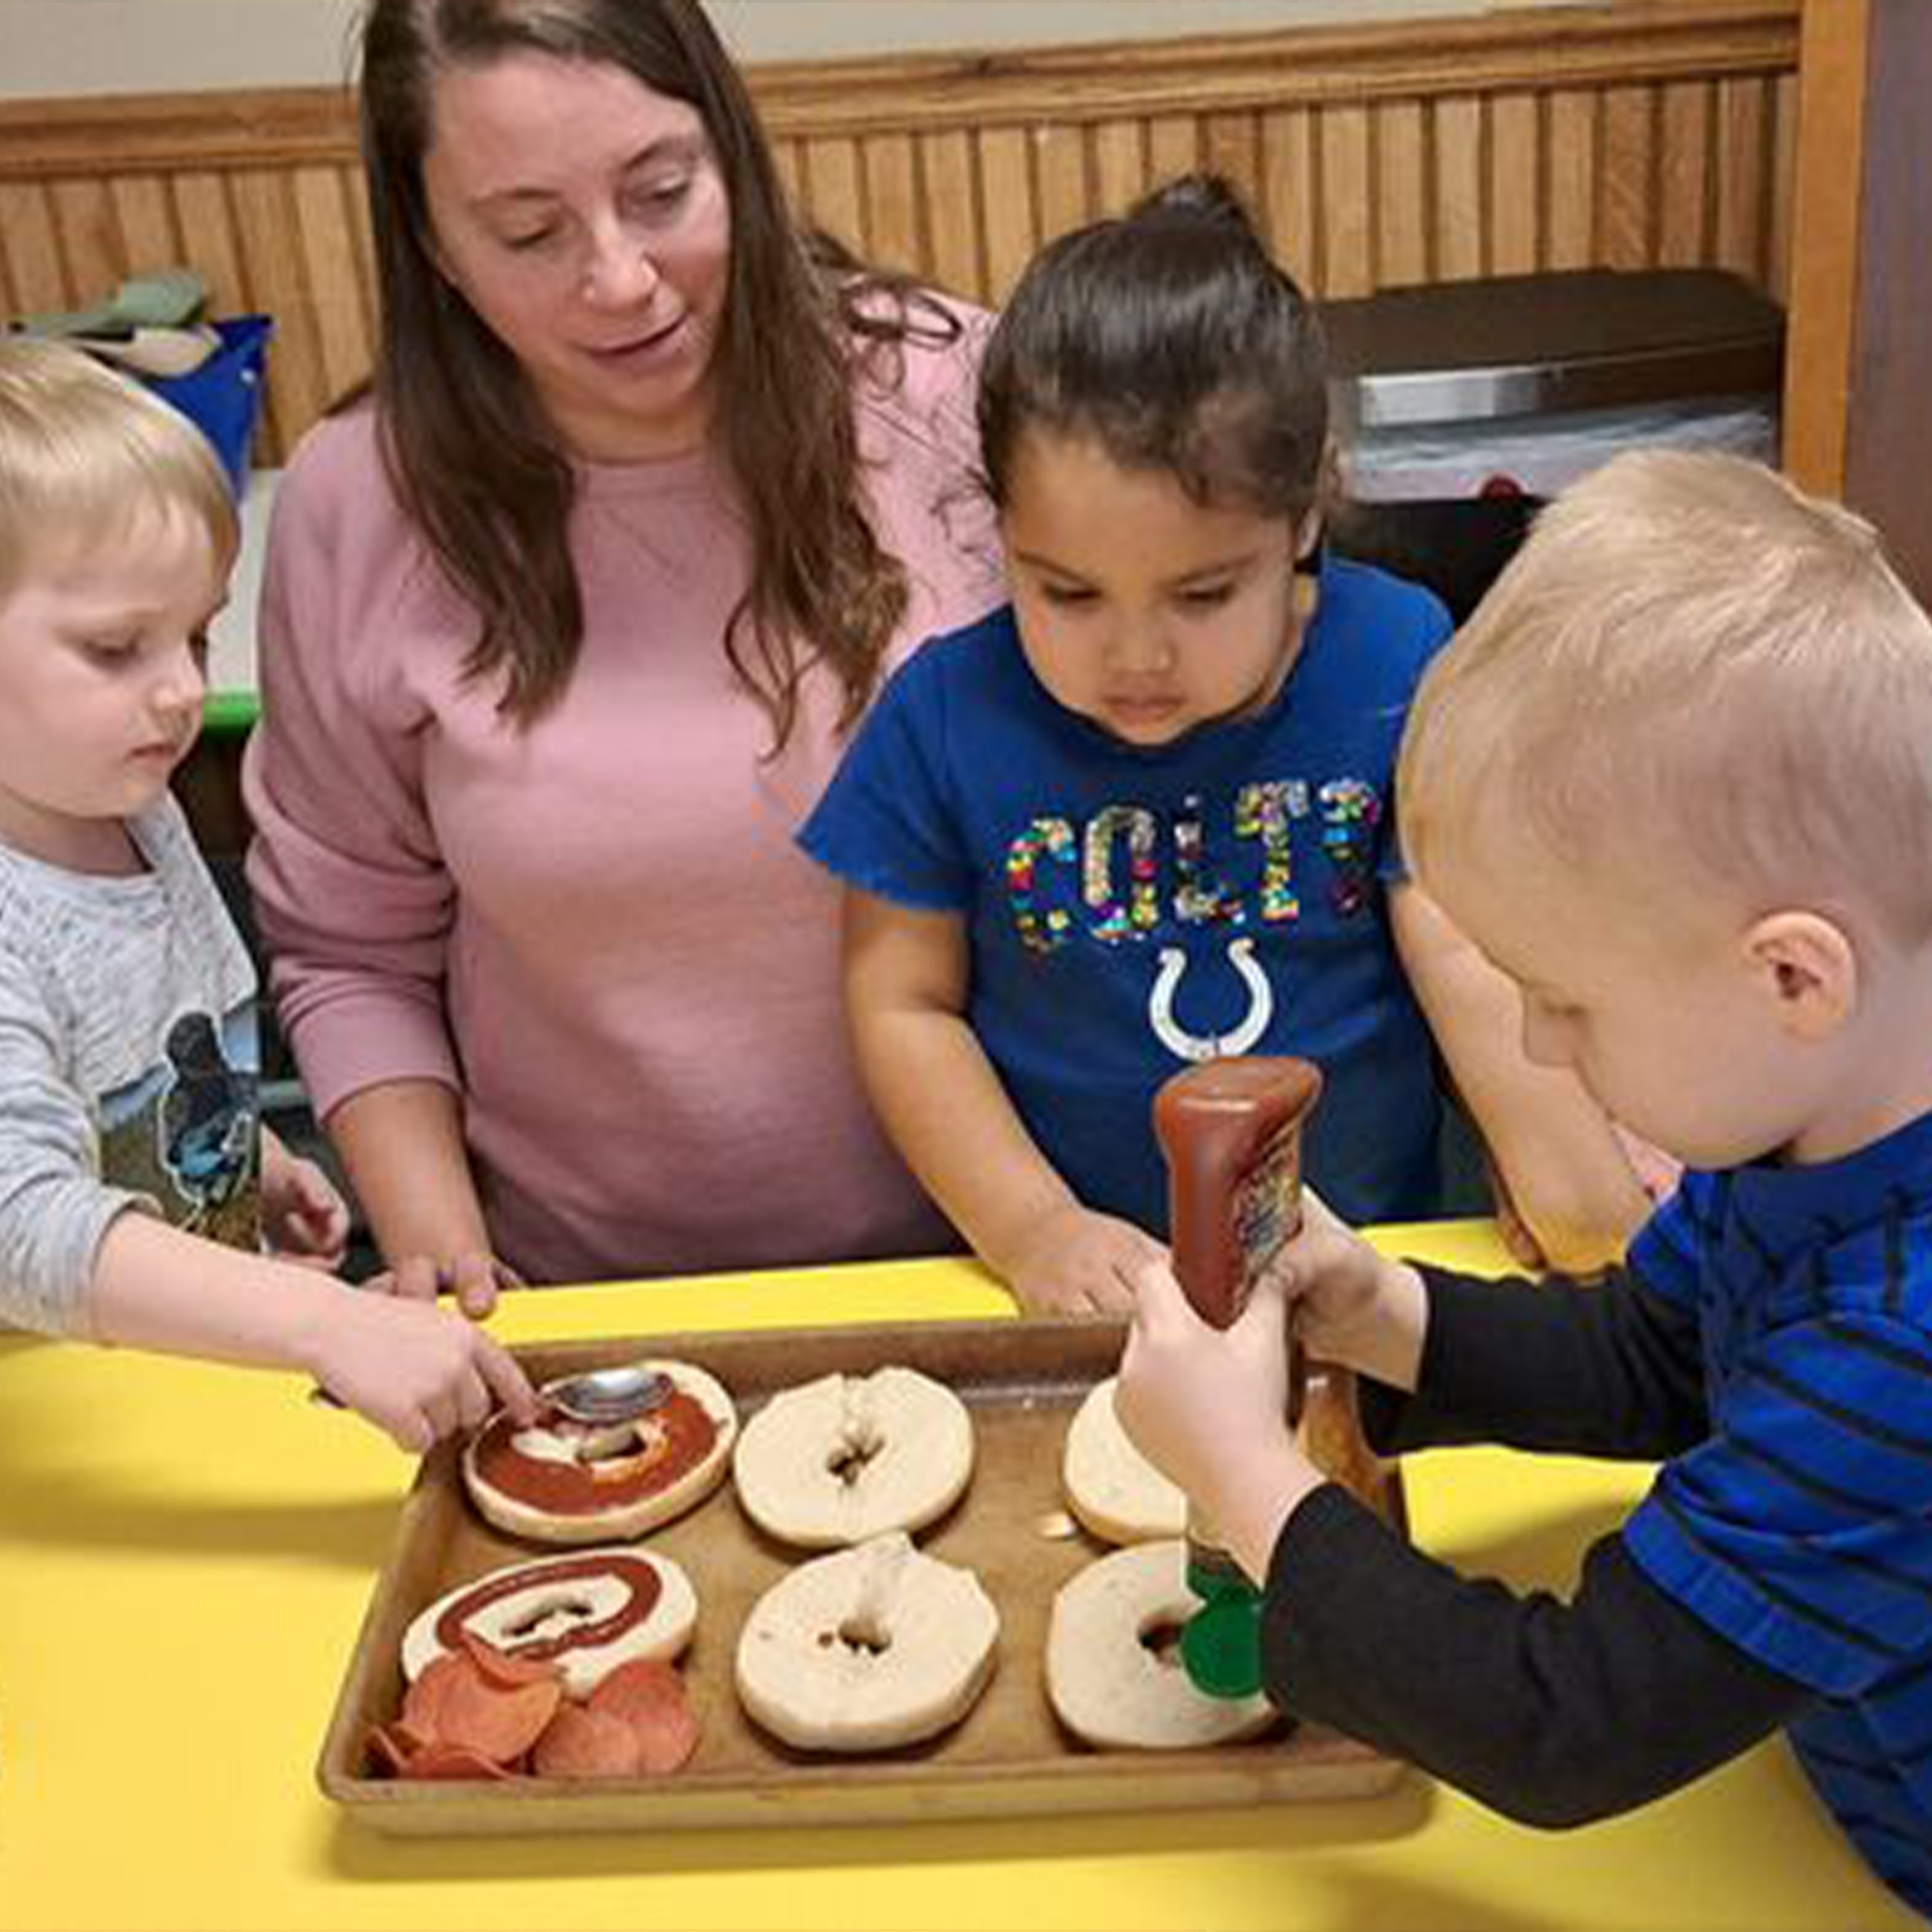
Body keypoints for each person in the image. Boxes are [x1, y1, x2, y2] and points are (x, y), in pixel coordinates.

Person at [1116, 449, 1932, 1917]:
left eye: (1568, 998)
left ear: (1794, 975)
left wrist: (1247, 1484)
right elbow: (1657, 1354)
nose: (1538, 1046)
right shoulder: (1813, 1116)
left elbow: (1566, 1723)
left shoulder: (1904, 1351)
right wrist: (1382, 1313)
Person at [242, 0, 1004, 1307]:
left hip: (1003, 1264)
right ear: (434, 248)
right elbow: (349, 948)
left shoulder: (949, 397)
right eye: (530, 234)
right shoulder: (356, 502)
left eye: (662, 193)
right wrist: (442, 1259)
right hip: (592, 1310)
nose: (620, 279)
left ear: (735, 155)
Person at [799, 175, 1654, 1315]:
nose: (1135, 655)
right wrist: (1029, 1226)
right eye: (1067, 592)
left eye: (1202, 595)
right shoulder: (942, 715)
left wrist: (1569, 1183)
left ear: (1301, 519)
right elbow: (900, 1004)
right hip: (1085, 1294)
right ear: (999, 527)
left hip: (1368, 1269)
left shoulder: (1393, 653)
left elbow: (1461, 946)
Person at [0, 339, 533, 1452]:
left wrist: (250, 1157)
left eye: (194, 634)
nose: (187, 687)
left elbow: (140, 1072)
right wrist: (320, 1318)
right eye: (115, 647)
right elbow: (24, 1223)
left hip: (180, 1398)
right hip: (59, 1441)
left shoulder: (127, 802)